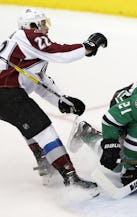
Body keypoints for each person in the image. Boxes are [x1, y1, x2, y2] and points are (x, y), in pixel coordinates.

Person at [0, 8, 107, 195]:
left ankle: (45, 164)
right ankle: (70, 176)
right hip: (5, 92)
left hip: (6, 94)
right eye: (42, 24)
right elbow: (59, 53)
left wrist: (61, 100)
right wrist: (87, 47)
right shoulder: (27, 35)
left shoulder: (23, 47)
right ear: (31, 25)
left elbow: (38, 80)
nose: (45, 28)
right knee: (44, 130)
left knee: (29, 125)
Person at [68, 79, 137, 185]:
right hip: (123, 101)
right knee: (135, 135)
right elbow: (109, 119)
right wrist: (110, 146)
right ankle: (87, 135)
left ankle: (87, 134)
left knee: (119, 163)